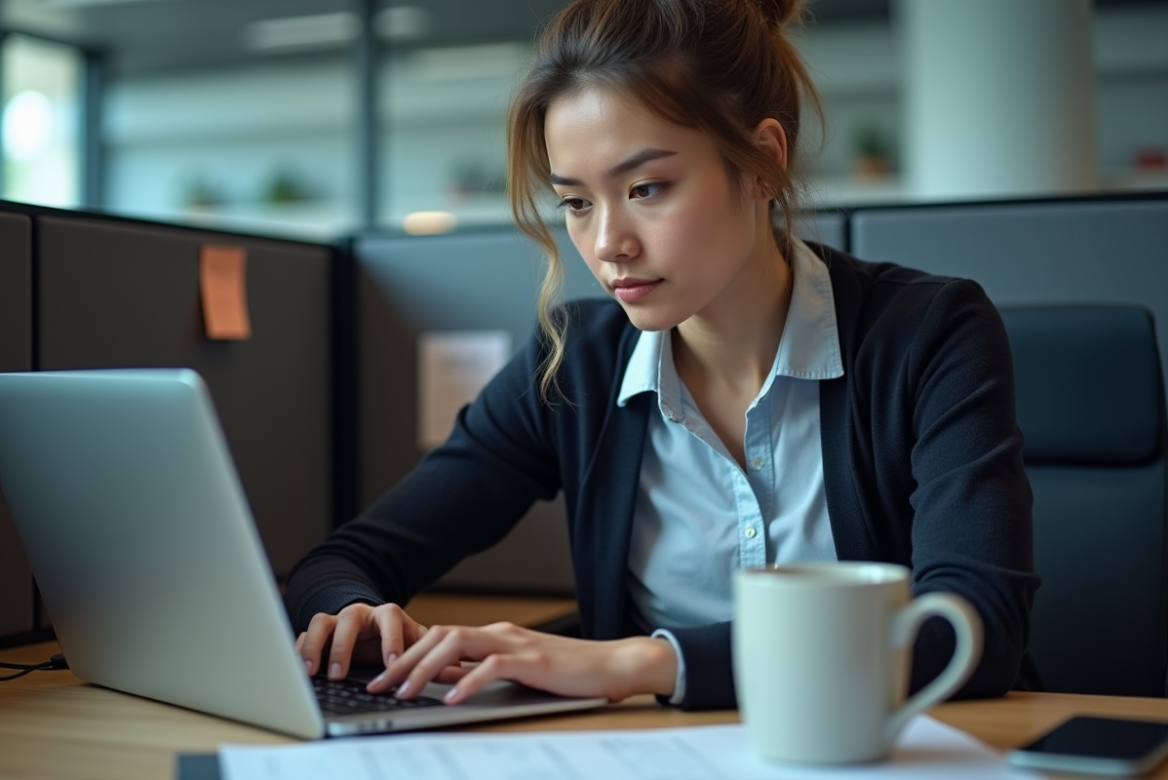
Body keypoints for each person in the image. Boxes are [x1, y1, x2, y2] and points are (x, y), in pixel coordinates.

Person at [286, 0, 1039, 711]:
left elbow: (971, 628)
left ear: (762, 163)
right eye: (576, 202)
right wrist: (354, 615)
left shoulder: (928, 334)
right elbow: (340, 563)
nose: (607, 243)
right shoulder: (575, 364)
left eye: (646, 188)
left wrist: (637, 663)